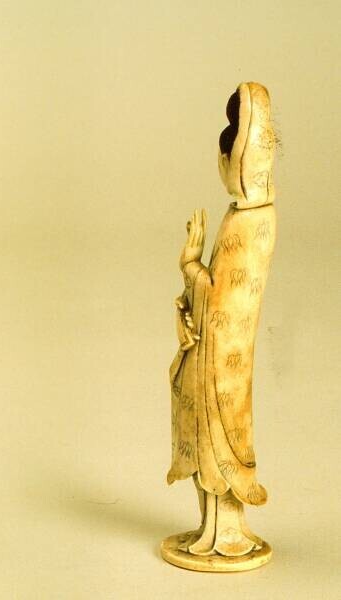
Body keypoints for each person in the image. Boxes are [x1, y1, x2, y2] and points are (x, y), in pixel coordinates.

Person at [167, 82, 276, 557]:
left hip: (223, 368)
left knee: (217, 443)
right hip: (220, 360)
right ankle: (211, 528)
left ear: (232, 163)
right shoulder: (252, 217)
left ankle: (224, 533)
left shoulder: (248, 223)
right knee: (207, 438)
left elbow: (219, 301)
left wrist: (190, 264)